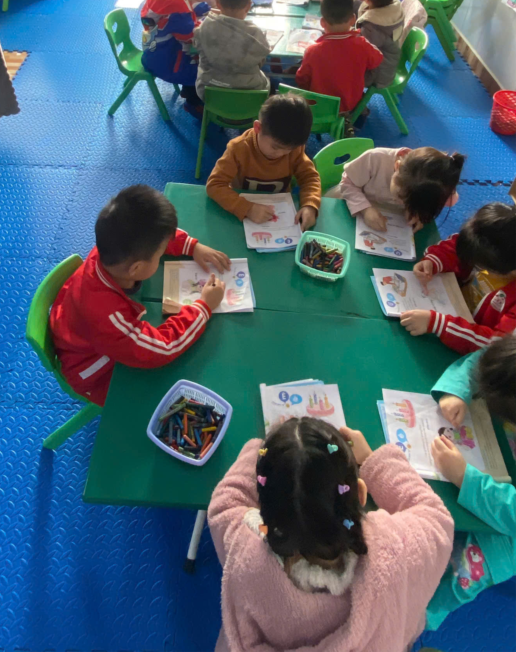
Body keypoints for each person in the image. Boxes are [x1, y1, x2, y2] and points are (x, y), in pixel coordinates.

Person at [208, 418, 454, 652]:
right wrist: (374, 461)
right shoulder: (395, 549)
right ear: (360, 494)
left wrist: (262, 449)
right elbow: (437, 518)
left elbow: (225, 504)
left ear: (263, 510)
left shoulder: (246, 554)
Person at [50, 184, 230, 406]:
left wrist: (191, 246)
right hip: (95, 372)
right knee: (164, 397)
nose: (162, 252)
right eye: (160, 254)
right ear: (135, 269)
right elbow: (162, 348)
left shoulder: (112, 248)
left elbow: (155, 235)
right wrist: (203, 307)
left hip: (80, 331)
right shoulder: (108, 317)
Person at [424, 337, 516, 629]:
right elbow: (487, 360)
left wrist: (465, 478)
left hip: (504, 539)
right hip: (496, 458)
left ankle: (412, 625)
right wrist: (457, 391)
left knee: (454, 580)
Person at [400, 202, 516, 352]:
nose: (473, 264)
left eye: (479, 265)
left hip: (470, 335)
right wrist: (433, 261)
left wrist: (439, 325)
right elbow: (459, 247)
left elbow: (495, 346)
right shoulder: (494, 241)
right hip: (458, 306)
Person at [206, 92, 321, 229]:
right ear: (258, 128)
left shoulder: (295, 149)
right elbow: (214, 185)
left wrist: (310, 205)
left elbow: (310, 177)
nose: (281, 154)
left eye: (289, 150)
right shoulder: (238, 148)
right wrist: (247, 208)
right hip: (243, 212)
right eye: (275, 147)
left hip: (280, 212)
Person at [140, 0, 212, 109]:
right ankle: (194, 103)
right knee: (206, 69)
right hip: (165, 63)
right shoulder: (179, 10)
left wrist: (202, 10)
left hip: (150, 53)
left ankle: (188, 90)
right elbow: (193, 37)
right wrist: (211, 24)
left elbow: (183, 17)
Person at [334, 146, 465, 232]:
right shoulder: (375, 158)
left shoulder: (439, 188)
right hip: (354, 204)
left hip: (391, 216)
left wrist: (417, 213)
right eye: (401, 197)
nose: (401, 203)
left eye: (407, 202)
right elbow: (347, 183)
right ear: (397, 167)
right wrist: (365, 209)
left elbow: (450, 199)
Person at [295, 0, 382, 116]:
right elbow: (378, 58)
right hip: (350, 106)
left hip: (318, 108)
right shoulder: (362, 45)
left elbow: (301, 79)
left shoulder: (312, 51)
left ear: (322, 23)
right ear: (353, 19)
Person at [193, 0, 271, 99]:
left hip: (209, 92)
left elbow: (198, 47)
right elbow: (260, 61)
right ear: (248, 5)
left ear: (217, 3)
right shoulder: (256, 34)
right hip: (250, 95)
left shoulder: (204, 27)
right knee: (268, 80)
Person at [356, 0, 404, 88]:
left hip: (377, 75)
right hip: (389, 65)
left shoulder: (370, 28)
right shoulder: (394, 9)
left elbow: (358, 52)